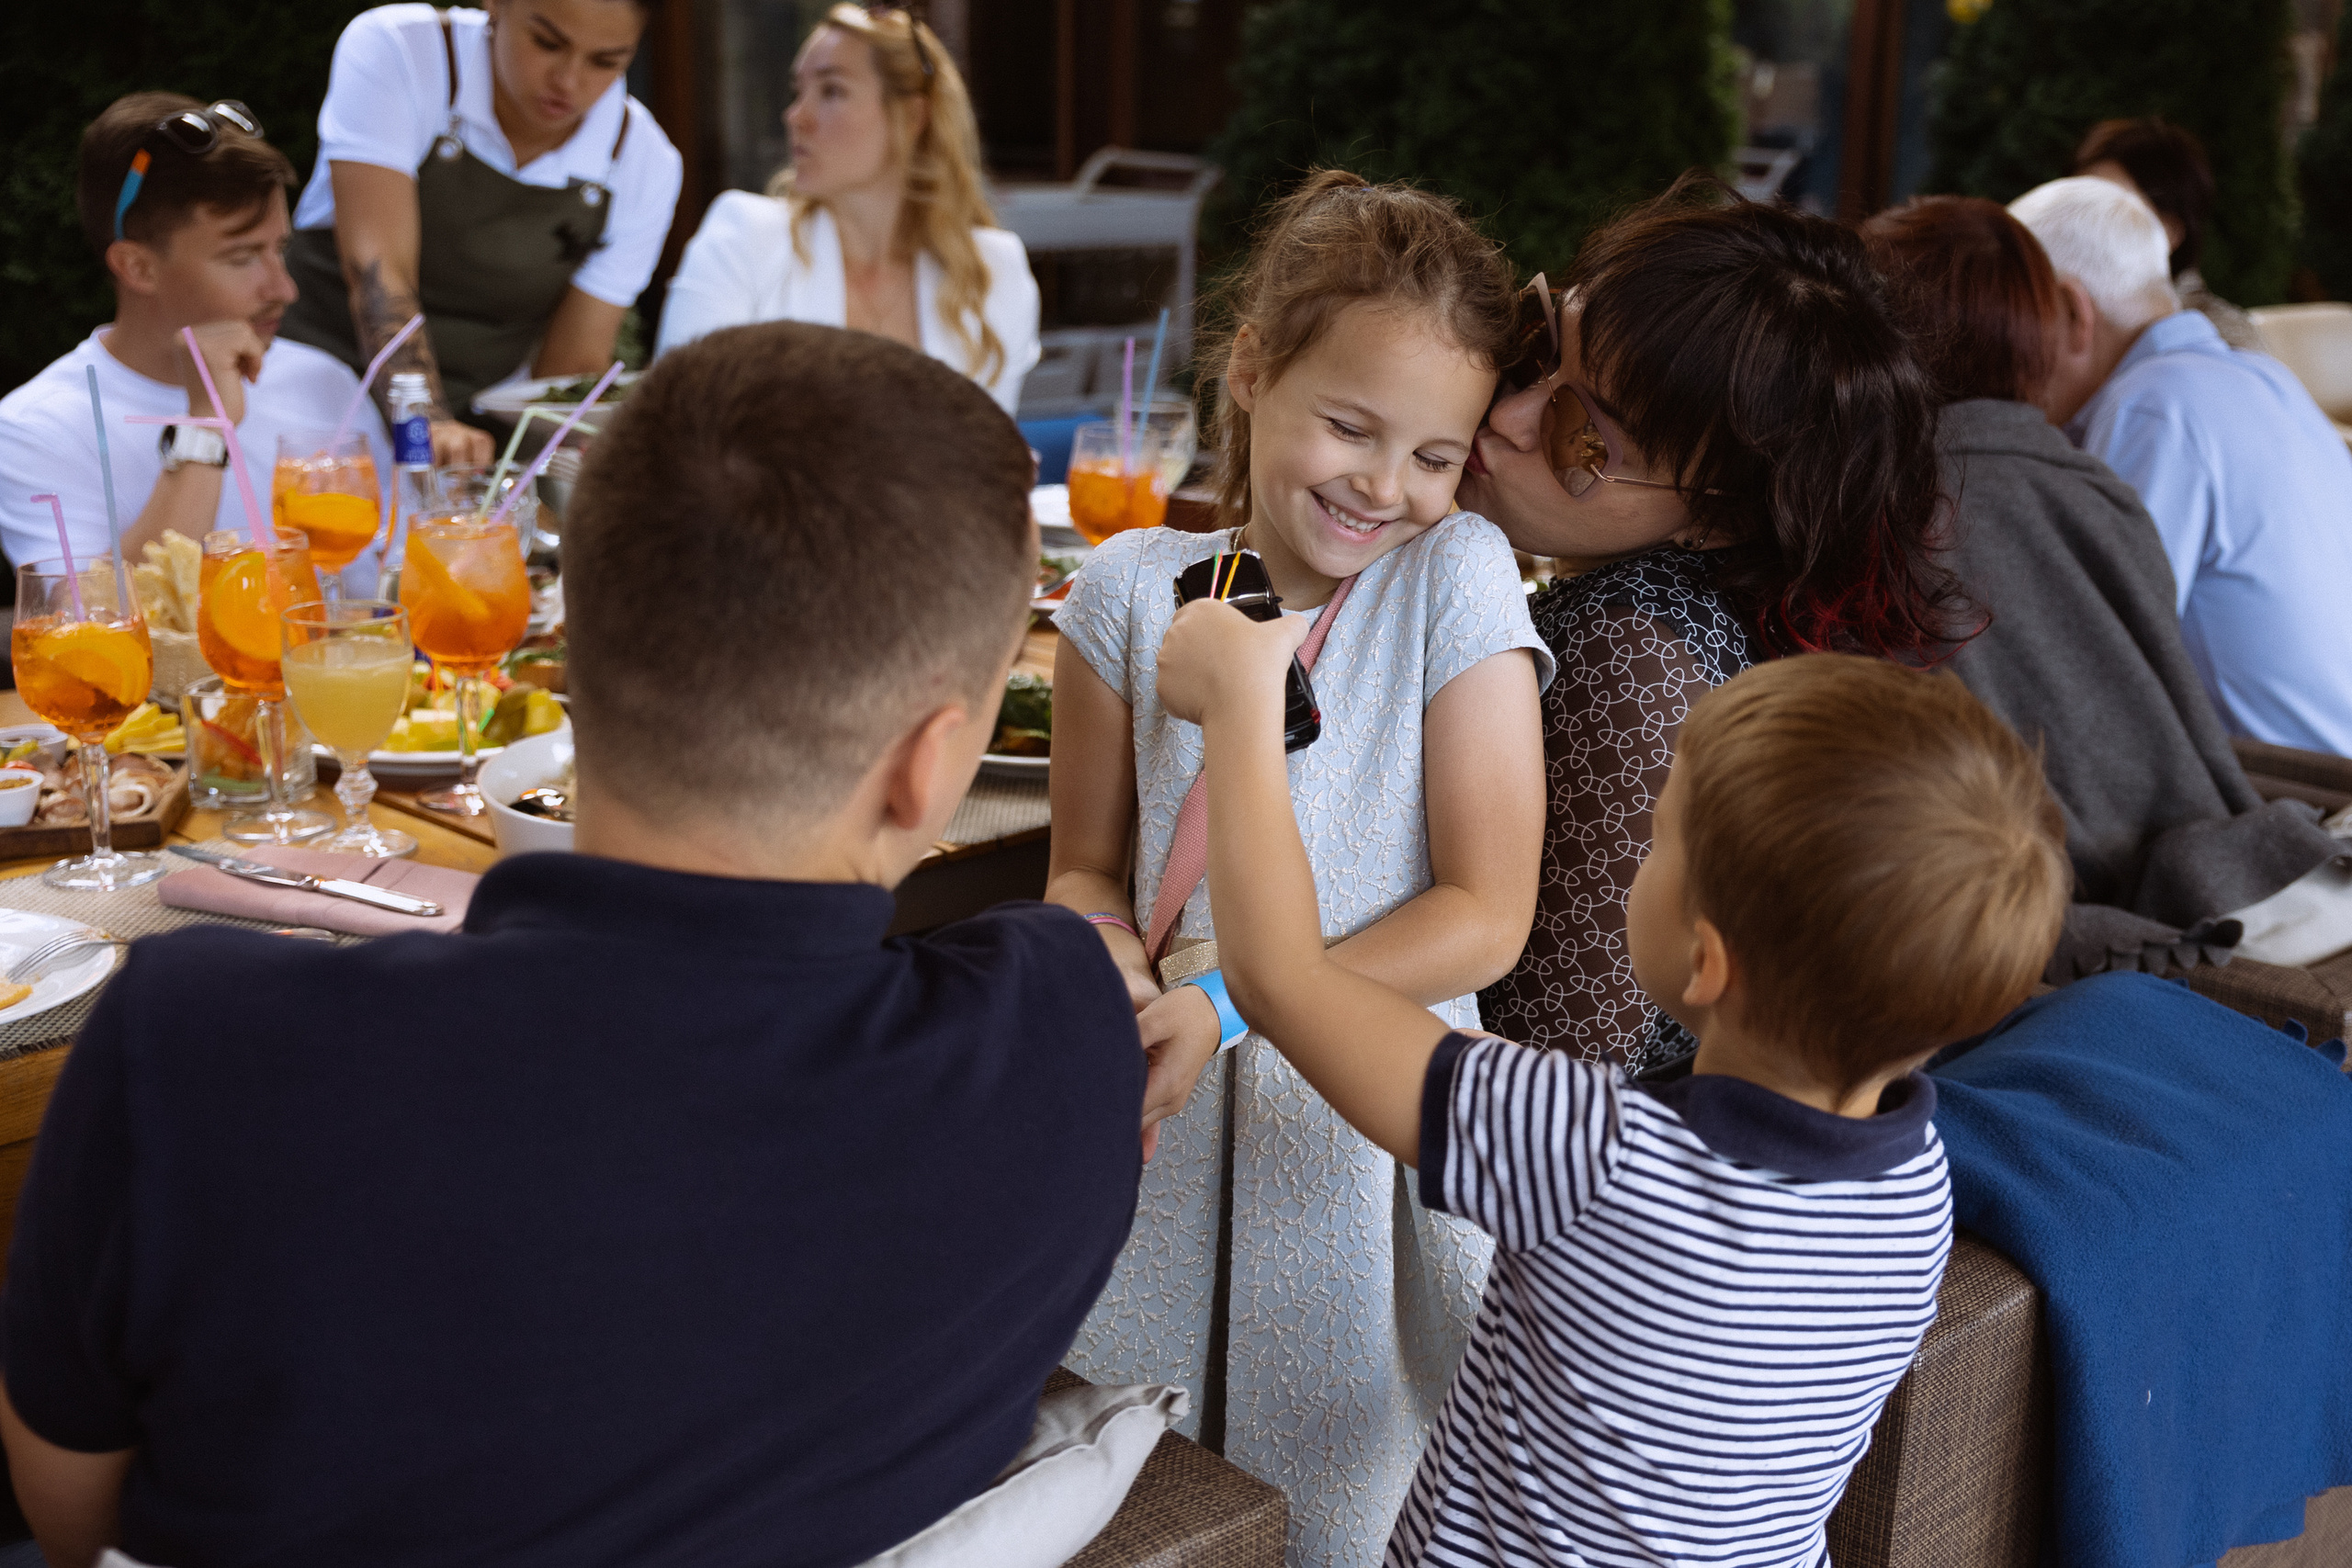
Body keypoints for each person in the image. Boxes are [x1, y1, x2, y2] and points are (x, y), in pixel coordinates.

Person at [0, 321, 1144, 1568]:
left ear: (569, 665)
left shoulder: (198, 1041)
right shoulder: (1061, 1033)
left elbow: (76, 1516)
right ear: (931, 762)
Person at [1151, 612, 2065, 1568]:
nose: (1641, 856)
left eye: (1660, 840)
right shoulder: (1914, 1184)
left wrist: (1243, 709)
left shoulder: (1589, 1150)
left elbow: (1280, 981)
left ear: (1708, 962)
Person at [1048, 169, 1550, 1567]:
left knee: (1344, 1512)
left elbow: (1485, 911)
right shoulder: (1126, 590)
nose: (1386, 486)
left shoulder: (1458, 580)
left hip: (1354, 1152)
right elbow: (1086, 866)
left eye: (1435, 455)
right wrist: (1108, 955)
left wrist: (1233, 1004)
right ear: (1256, 371)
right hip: (1155, 1135)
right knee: (1141, 1508)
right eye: (1350, 425)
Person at [1466, 176, 1966, 1067]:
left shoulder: (1635, 663)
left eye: (1578, 436)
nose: (1505, 417)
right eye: (1537, 345)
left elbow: (1557, 1070)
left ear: (1719, 515)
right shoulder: (1684, 613)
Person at [1861, 195, 2352, 973]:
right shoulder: (2258, 376)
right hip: (2281, 831)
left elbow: (2056, 633)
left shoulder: (2146, 406)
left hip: (2167, 881)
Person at [2010, 175, 2352, 756]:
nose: (2008, 349)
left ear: (2073, 310)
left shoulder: (2155, 403)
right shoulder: (2258, 375)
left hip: (2300, 799)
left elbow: (2092, 656)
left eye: (2016, 317)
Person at [277, 0, 684, 467]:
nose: (569, 82)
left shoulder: (643, 160)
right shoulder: (401, 49)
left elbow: (571, 364)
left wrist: (527, 485)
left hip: (473, 434)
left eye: (606, 61)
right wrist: (422, 425)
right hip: (306, 404)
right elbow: (377, 272)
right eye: (547, 43)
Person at [0, 94, 390, 574]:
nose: (285, 288)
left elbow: (397, 570)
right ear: (137, 266)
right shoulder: (36, 429)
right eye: (242, 258)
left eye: (280, 249)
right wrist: (207, 426)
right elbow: (91, 629)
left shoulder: (322, 379)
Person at [654, 5, 1038, 415]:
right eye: (797, 92)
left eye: (832, 91)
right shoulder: (743, 240)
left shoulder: (992, 272)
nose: (796, 117)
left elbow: (991, 458)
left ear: (911, 116)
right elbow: (680, 429)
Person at [2073, 117, 2259, 350]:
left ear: (2170, 231)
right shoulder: (2063, 314)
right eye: (2078, 202)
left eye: (2112, 209)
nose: (2083, 223)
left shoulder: (2222, 339)